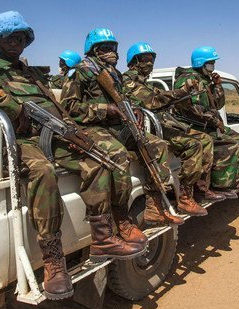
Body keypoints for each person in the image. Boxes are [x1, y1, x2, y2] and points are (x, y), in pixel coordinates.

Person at [0, 11, 147, 300]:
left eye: (21, 37)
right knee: (43, 172)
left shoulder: (31, 73)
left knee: (97, 161)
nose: (16, 42)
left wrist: (72, 129)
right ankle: (54, 261)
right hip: (15, 141)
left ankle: (103, 237)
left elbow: (58, 108)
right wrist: (9, 105)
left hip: (54, 134)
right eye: (10, 37)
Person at [61, 28, 185, 226]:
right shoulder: (80, 72)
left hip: (118, 126)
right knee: (119, 155)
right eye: (106, 48)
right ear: (94, 50)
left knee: (157, 145)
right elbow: (69, 107)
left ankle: (154, 206)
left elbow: (123, 99)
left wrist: (133, 109)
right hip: (93, 127)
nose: (112, 52)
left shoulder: (115, 74)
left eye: (114, 47)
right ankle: (120, 217)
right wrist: (105, 109)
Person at [122, 42, 224, 215]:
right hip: (145, 130)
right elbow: (153, 101)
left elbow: (159, 97)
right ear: (134, 61)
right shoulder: (128, 81)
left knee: (205, 139)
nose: (150, 63)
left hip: (160, 124)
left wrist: (183, 94)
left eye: (151, 59)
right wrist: (181, 92)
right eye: (145, 59)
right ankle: (185, 198)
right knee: (194, 145)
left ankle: (200, 189)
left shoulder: (144, 82)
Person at [172, 46, 239, 198]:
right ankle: (218, 185)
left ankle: (229, 180)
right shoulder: (188, 79)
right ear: (201, 63)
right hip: (194, 126)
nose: (213, 66)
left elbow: (218, 105)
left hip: (207, 124)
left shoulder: (205, 80)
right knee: (228, 144)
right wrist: (214, 121)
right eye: (210, 63)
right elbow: (192, 108)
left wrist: (217, 85)